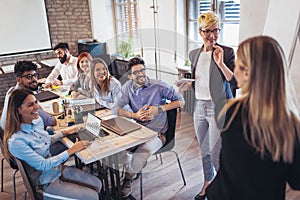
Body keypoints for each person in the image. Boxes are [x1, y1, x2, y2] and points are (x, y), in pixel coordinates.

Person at [206, 36, 300, 200]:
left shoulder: (232, 112)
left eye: (237, 66)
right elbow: (296, 181)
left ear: (247, 73)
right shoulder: (292, 126)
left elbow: (231, 171)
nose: (234, 70)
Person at [176, 12, 235, 200]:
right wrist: (188, 84)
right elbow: (199, 80)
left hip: (218, 107)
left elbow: (234, 81)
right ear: (200, 32)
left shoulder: (226, 52)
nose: (213, 35)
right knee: (203, 150)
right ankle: (208, 182)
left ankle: (225, 188)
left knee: (216, 151)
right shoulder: (194, 54)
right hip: (200, 107)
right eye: (208, 30)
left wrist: (220, 63)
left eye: (216, 30)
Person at [3, 89, 102, 199]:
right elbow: (43, 165)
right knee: (92, 196)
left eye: (36, 102)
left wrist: (64, 132)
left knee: (98, 184)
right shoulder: (16, 141)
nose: (37, 107)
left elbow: (44, 143)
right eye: (30, 105)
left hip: (55, 169)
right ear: (18, 110)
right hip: (44, 183)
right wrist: (71, 150)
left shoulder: (36, 121)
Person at [115, 57, 185, 198]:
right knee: (116, 149)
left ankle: (128, 180)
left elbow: (181, 101)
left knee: (142, 153)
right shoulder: (127, 87)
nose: (141, 74)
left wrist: (158, 109)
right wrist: (134, 115)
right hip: (137, 130)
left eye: (143, 70)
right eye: (136, 72)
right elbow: (115, 108)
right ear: (129, 76)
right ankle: (134, 169)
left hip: (158, 134)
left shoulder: (158, 86)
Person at [0, 61, 56, 130]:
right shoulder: (22, 97)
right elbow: (51, 121)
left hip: (7, 133)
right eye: (29, 77)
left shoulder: (11, 90)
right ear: (19, 80)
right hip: (18, 137)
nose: (34, 79)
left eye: (35, 75)